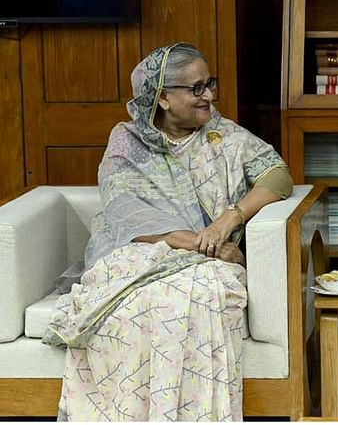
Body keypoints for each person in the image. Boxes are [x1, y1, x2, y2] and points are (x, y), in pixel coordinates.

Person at [43, 42, 293, 421]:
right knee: (138, 306)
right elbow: (125, 211)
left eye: (210, 83)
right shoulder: (127, 142)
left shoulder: (223, 136)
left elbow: (278, 176)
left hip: (208, 258)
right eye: (196, 88)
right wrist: (201, 244)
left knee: (202, 293)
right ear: (162, 98)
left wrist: (230, 218)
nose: (208, 95)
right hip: (139, 251)